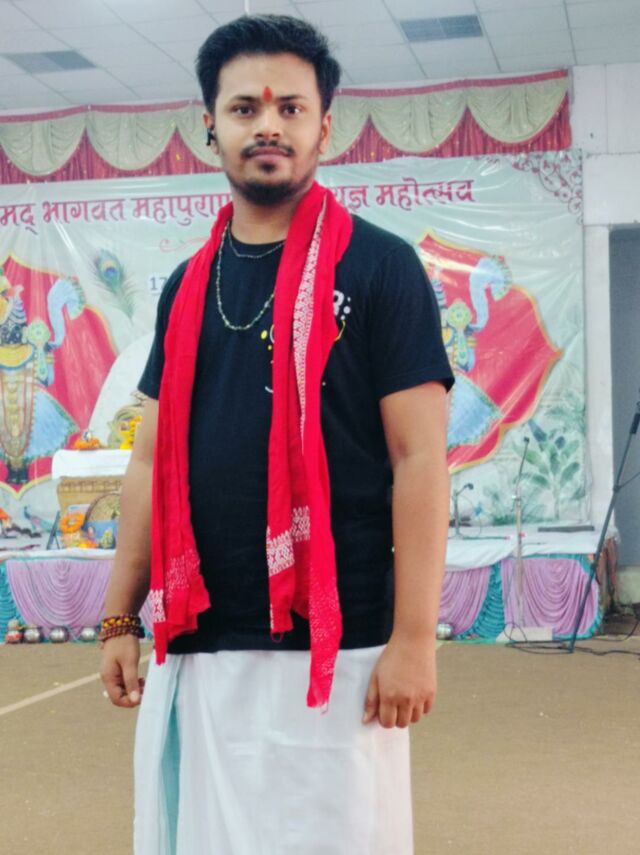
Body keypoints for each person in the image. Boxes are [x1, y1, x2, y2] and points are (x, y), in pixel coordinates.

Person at [100, 14, 454, 855]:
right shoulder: (186, 285)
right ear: (210, 127)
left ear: (324, 128)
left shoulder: (380, 267)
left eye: (291, 108)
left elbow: (420, 458)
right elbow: (148, 458)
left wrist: (414, 639)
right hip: (200, 642)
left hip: (337, 648)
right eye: (245, 108)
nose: (268, 125)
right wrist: (119, 616)